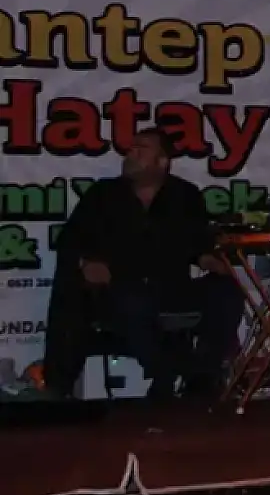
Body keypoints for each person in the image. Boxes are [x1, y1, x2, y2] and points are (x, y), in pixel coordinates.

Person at [43, 127, 244, 400]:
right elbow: (70, 239)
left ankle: (203, 376)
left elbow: (197, 243)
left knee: (226, 291)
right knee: (132, 300)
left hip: (172, 289)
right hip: (120, 288)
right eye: (130, 148)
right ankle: (165, 372)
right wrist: (86, 262)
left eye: (141, 148)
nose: (130, 153)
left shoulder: (184, 195)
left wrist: (208, 259)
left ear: (162, 161)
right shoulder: (103, 194)